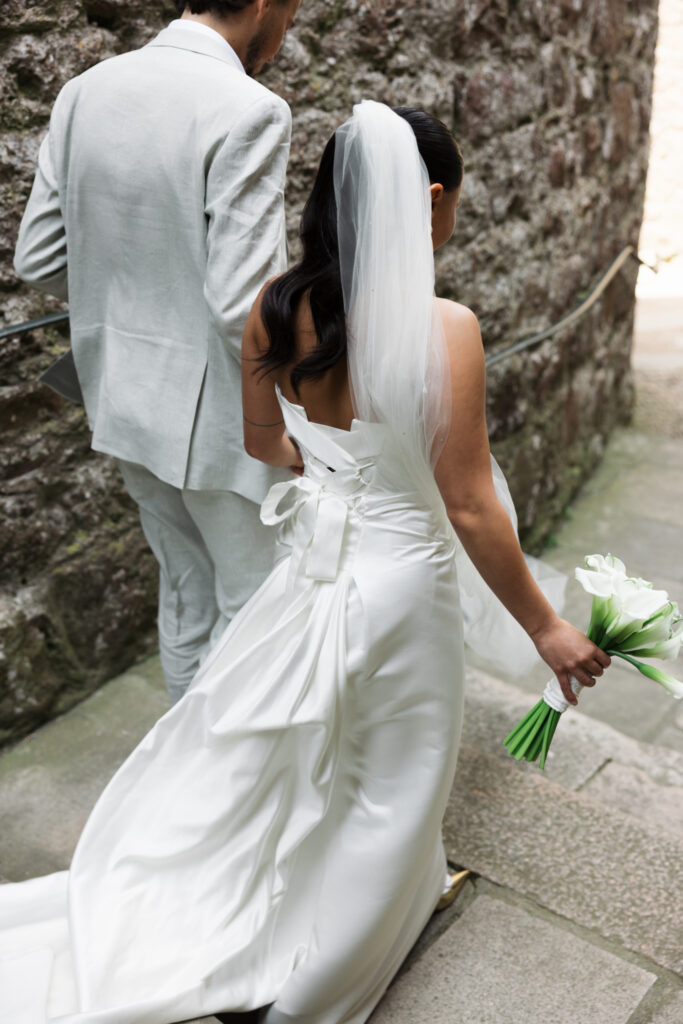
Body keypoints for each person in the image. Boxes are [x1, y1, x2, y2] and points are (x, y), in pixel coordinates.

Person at [0, 102, 610, 1024]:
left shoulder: (274, 308)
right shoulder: (445, 329)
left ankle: (261, 919)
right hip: (404, 589)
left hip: (312, 569)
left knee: (306, 757)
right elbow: (470, 504)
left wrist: (339, 481)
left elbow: (267, 450)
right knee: (393, 793)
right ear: (429, 200)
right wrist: (547, 628)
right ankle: (309, 1004)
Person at [13, 0, 302, 703]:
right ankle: (228, 797)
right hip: (224, 422)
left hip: (120, 399)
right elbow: (243, 305)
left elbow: (39, 255)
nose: (287, 28)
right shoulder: (250, 109)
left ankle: (179, 785)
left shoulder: (86, 90)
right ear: (265, 5)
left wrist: (134, 299)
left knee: (184, 596)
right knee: (254, 609)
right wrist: (296, 417)